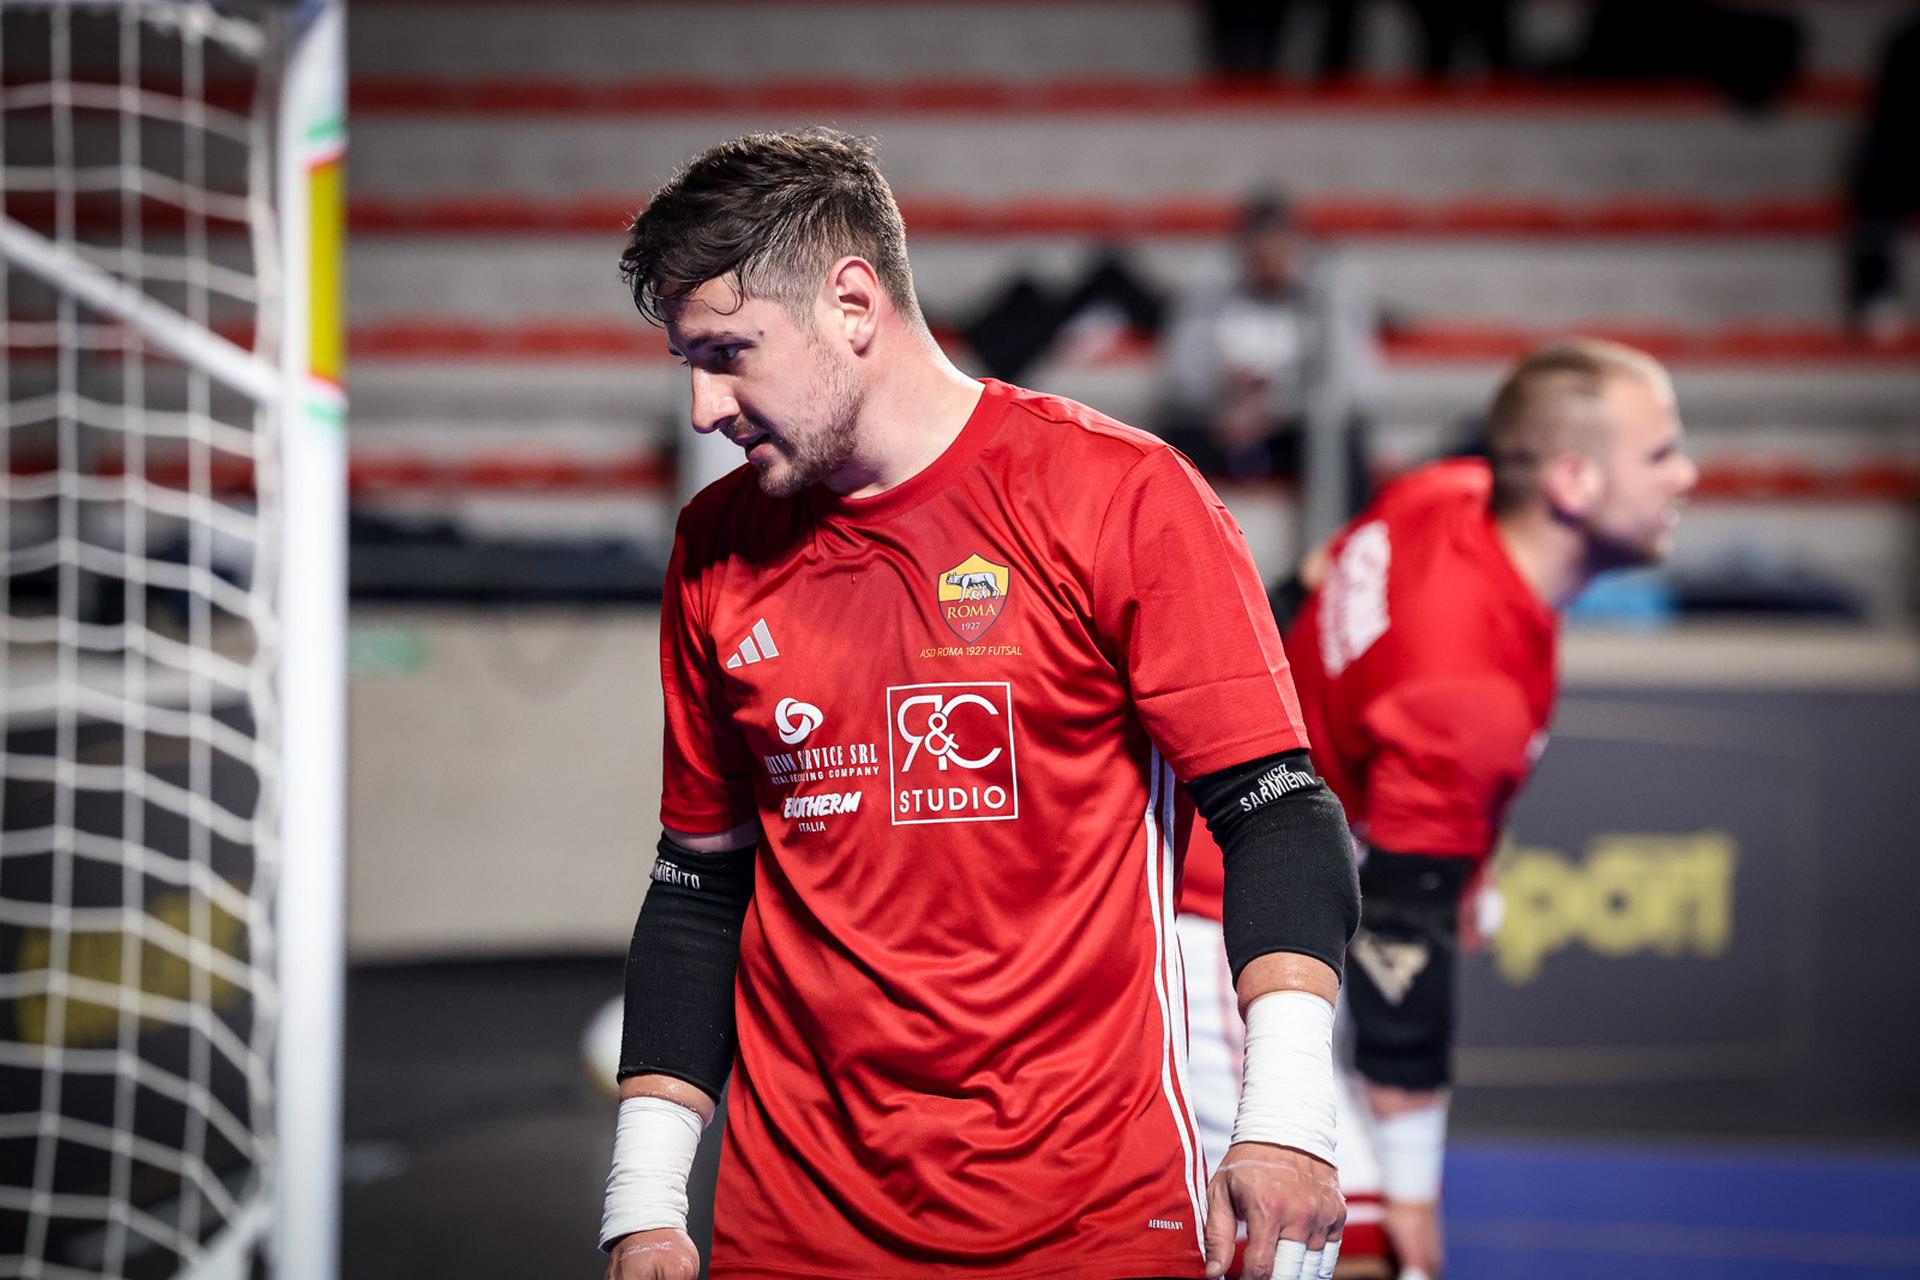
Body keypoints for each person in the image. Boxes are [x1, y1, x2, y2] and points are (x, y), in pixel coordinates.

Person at [599, 127, 1363, 1280]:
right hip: (793, 1234)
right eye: (688, 364)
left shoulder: (1119, 495)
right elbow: (698, 889)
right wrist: (645, 1200)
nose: (706, 406)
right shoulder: (715, 544)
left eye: (729, 355)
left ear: (852, 303)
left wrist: (1288, 1119)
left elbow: (1282, 815)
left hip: (1091, 1226)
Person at [1178, 338, 1698, 1277]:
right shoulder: (1465, 693)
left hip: (1275, 876)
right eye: (1661, 453)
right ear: (1572, 482)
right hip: (1221, 911)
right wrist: (1418, 1198)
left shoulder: (1443, 493)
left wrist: (1462, 862)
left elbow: (1300, 591)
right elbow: (1401, 964)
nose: (1687, 475)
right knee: (1357, 1240)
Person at [1156, 194, 1376, 509]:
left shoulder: (1322, 302)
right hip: (1219, 421)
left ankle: (1341, 536)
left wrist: (1274, 406)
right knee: (1173, 448)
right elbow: (1179, 377)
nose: (1270, 260)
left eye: (1280, 248)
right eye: (1260, 250)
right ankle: (1176, 537)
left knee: (1339, 444)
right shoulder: (1207, 297)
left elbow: (1348, 385)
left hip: (1291, 426)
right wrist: (1223, 392)